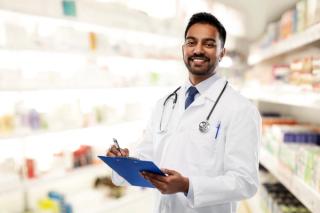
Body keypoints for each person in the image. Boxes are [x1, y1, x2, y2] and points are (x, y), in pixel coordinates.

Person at [106, 12, 261, 213]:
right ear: (183, 49)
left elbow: (245, 182)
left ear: (222, 52)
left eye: (209, 44)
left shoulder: (240, 109)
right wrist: (122, 162)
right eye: (191, 42)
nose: (198, 50)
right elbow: (147, 157)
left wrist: (187, 186)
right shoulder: (164, 104)